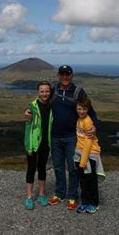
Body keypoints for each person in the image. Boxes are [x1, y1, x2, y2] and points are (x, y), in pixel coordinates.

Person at [26, 65, 100, 210]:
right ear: (58, 76)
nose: (65, 77)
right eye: (62, 74)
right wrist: (28, 110)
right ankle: (59, 193)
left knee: (72, 167)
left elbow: (90, 110)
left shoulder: (78, 91)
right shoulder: (53, 91)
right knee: (58, 167)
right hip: (54, 137)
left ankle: (72, 195)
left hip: (72, 136)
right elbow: (40, 101)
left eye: (68, 74)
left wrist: (95, 125)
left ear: (71, 76)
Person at [23, 81, 53, 210]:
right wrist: (29, 147)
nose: (44, 94)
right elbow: (28, 128)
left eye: (47, 91)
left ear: (50, 92)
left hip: (46, 144)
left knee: (42, 169)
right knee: (31, 169)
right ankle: (29, 197)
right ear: (38, 92)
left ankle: (41, 194)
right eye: (42, 91)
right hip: (34, 145)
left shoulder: (52, 106)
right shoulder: (33, 107)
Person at [74, 97, 105, 214]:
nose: (81, 111)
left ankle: (94, 203)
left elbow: (88, 141)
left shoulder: (87, 121)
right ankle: (85, 202)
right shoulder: (79, 120)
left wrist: (83, 161)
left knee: (91, 180)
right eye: (79, 109)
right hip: (81, 153)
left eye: (84, 109)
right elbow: (80, 138)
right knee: (83, 180)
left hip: (89, 155)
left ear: (88, 109)